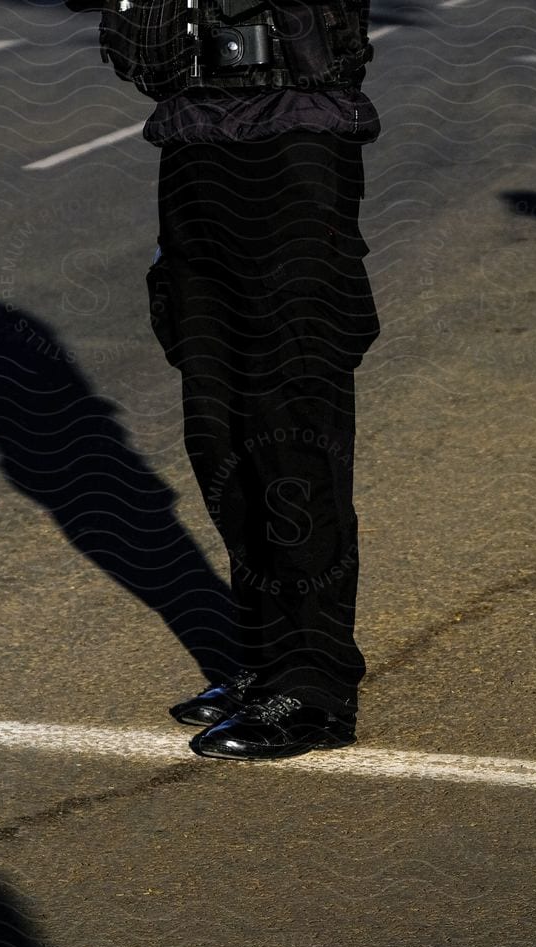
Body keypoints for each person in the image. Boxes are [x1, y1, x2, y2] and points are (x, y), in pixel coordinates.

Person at [67, 0, 381, 760]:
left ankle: (314, 685)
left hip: (295, 150)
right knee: (220, 429)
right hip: (195, 145)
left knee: (290, 430)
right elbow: (141, 53)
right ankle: (267, 658)